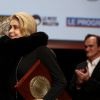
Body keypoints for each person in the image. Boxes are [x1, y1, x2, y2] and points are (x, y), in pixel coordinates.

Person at [0, 12, 67, 100]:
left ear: (27, 28)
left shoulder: (41, 50)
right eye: (10, 28)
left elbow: (61, 81)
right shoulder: (13, 54)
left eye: (15, 27)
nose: (10, 31)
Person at [69, 34, 100, 100]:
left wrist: (88, 80)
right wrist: (78, 85)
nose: (87, 49)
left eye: (91, 46)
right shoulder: (80, 66)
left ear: (99, 47)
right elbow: (71, 91)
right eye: (85, 47)